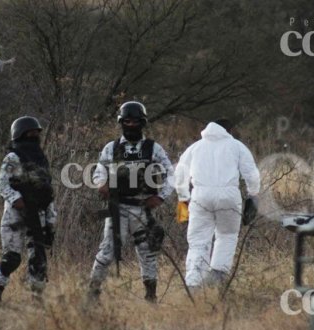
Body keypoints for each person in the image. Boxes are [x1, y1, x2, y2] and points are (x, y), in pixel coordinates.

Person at [88, 101, 174, 303]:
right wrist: (101, 184)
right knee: (107, 251)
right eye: (127, 121)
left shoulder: (153, 148)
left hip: (144, 209)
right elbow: (99, 170)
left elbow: (172, 173)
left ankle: (151, 297)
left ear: (142, 123)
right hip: (118, 208)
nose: (132, 125)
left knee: (148, 253)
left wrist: (160, 196)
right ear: (121, 122)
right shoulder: (112, 148)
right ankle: (92, 294)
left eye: (136, 121)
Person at [175, 119, 260, 287]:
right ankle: (216, 278)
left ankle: (193, 284)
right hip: (229, 195)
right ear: (228, 130)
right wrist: (253, 195)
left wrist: (183, 200)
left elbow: (180, 174)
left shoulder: (195, 147)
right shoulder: (236, 146)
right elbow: (252, 174)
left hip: (200, 196)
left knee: (198, 241)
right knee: (227, 235)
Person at [0, 116, 56, 304]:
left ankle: (37, 300)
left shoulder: (41, 158)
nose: (34, 135)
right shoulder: (13, 157)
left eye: (36, 132)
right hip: (15, 216)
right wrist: (17, 199)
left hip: (39, 215)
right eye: (30, 132)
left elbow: (47, 191)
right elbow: (2, 185)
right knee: (11, 258)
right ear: (20, 134)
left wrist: (51, 221)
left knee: (38, 258)